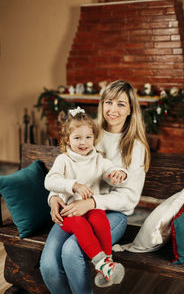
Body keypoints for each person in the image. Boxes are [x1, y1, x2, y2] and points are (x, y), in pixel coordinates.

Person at [40, 80, 150, 294]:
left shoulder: (135, 147)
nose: (113, 109)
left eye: (121, 104)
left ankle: (104, 267)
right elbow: (65, 170)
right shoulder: (87, 131)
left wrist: (91, 202)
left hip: (110, 214)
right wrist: (53, 198)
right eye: (108, 102)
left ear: (130, 109)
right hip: (74, 210)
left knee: (72, 250)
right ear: (101, 105)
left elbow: (129, 197)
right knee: (49, 265)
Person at [44, 107, 127, 287]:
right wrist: (73, 185)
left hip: (90, 209)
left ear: (94, 138)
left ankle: (106, 266)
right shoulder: (63, 160)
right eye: (77, 138)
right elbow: (50, 181)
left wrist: (119, 173)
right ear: (67, 140)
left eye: (88, 137)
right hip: (68, 213)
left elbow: (109, 170)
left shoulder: (98, 159)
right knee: (81, 225)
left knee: (100, 218)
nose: (83, 142)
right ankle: (101, 263)